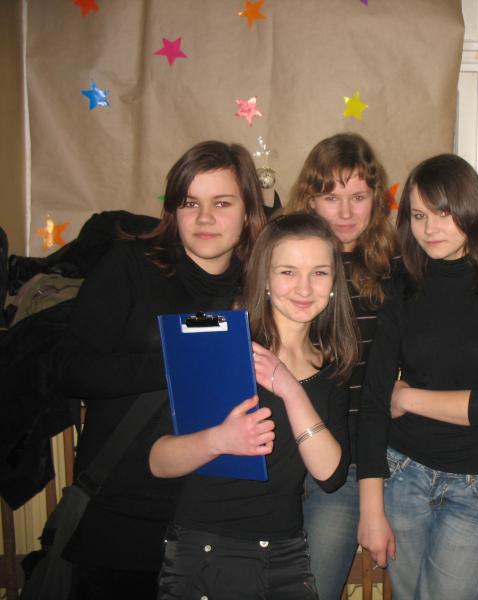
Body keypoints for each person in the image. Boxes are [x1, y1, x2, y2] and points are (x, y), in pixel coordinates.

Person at [57, 140, 268, 599]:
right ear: (173, 210)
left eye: (222, 203)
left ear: (249, 212)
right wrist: (177, 361)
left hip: (219, 518)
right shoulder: (131, 265)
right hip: (122, 512)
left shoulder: (262, 286)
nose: (205, 218)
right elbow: (69, 370)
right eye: (190, 203)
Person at [357, 154, 478, 600]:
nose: (430, 228)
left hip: (476, 486)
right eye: (418, 215)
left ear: (470, 210)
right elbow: (374, 398)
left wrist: (408, 399)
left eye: (442, 212)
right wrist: (371, 509)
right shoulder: (401, 283)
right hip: (403, 474)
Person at [149, 212, 359, 600]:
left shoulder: (332, 366)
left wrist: (290, 389)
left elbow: (330, 475)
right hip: (208, 549)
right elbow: (159, 460)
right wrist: (219, 440)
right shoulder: (225, 347)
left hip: (286, 552)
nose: (304, 288)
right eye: (288, 272)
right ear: (264, 278)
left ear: (334, 283)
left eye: (319, 273)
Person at [286, 133, 396, 600]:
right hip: (281, 457)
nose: (346, 213)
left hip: (348, 464)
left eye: (358, 197)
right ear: (310, 200)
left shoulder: (394, 271)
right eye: (331, 197)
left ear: (376, 200)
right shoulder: (283, 264)